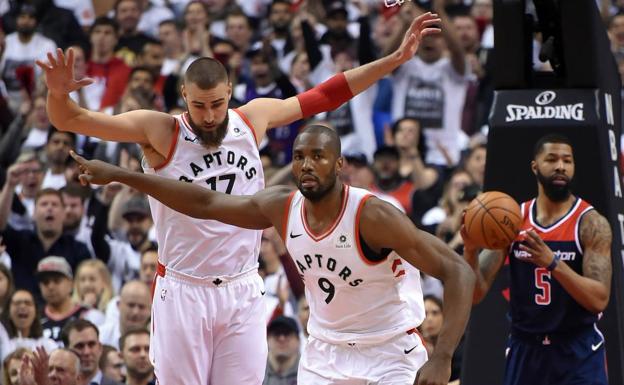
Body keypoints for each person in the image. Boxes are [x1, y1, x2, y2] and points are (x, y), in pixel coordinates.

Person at [37, 11, 443, 385]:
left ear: (230, 92)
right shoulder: (160, 130)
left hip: (243, 286)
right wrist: (57, 95)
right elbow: (74, 120)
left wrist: (392, 60)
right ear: (183, 96)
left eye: (217, 104)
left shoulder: (253, 118)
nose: (210, 116)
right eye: (199, 106)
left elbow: (326, 95)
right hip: (184, 289)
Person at [69, 124, 475, 385]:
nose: (307, 165)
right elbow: (206, 202)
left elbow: (458, 271)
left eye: (318, 156)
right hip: (323, 351)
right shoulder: (282, 207)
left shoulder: (374, 216)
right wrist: (124, 176)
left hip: (388, 349)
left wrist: (442, 356)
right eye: (299, 156)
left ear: (339, 163)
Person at [461, 134, 612, 385]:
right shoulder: (511, 220)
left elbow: (599, 298)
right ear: (535, 166)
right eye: (551, 159)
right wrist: (469, 251)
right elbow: (476, 293)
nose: (561, 166)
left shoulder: (590, 223)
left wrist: (553, 263)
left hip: (577, 349)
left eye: (567, 160)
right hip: (526, 348)